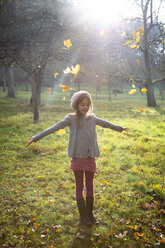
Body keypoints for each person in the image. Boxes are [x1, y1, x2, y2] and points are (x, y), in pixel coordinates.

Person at [26, 91, 129, 226]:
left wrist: (120, 128)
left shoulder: (92, 118)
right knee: (79, 186)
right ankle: (83, 216)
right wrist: (36, 137)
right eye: (82, 104)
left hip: (90, 157)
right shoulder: (70, 119)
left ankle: (90, 214)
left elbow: (106, 124)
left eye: (87, 104)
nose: (85, 107)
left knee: (90, 186)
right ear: (76, 105)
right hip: (77, 158)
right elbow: (54, 127)